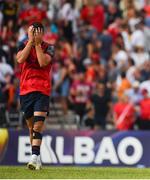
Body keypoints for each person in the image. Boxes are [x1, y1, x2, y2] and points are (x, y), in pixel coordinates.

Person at [16, 22, 54, 170]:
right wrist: (30, 42)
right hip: (25, 90)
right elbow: (20, 59)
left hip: (42, 90)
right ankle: (37, 156)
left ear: (42, 33)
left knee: (38, 125)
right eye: (31, 32)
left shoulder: (49, 47)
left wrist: (37, 45)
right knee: (31, 127)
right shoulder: (22, 45)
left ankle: (32, 158)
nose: (34, 34)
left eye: (36, 32)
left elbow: (43, 62)